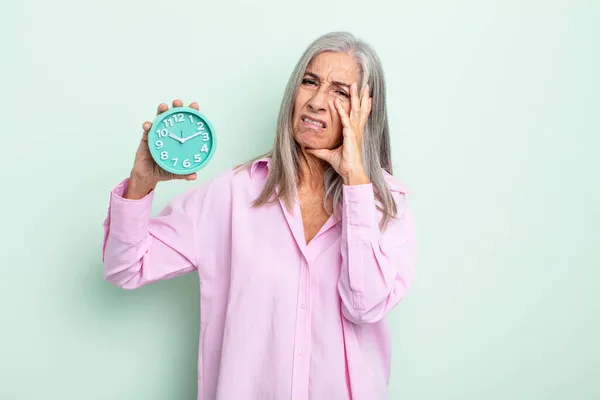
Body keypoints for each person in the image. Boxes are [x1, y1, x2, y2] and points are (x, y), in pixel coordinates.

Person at [101, 31, 416, 400]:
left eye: (340, 92)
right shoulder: (233, 194)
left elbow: (366, 306)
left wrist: (356, 182)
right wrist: (141, 182)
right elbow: (125, 268)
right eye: (309, 82)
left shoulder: (385, 205)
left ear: (366, 110)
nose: (316, 101)